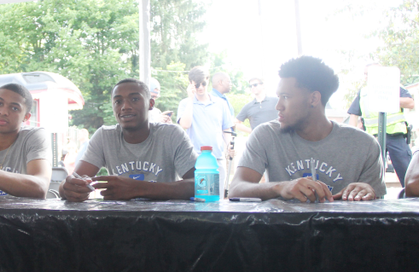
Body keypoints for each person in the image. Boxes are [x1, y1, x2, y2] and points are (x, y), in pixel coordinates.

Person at [229, 56, 386, 202]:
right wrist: (281, 187)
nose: (278, 106)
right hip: (281, 231)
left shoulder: (365, 145)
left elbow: (378, 211)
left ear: (313, 98)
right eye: (278, 97)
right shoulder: (266, 135)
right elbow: (236, 189)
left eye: (285, 97)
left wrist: (367, 192)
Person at [60, 78, 197, 202]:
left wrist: (139, 189)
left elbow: (201, 185)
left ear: (150, 104)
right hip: (119, 223)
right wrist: (69, 188)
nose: (125, 106)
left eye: (135, 99)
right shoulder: (104, 137)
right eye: (118, 101)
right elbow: (72, 182)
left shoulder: (172, 135)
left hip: (165, 223)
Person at [348, 63, 414, 187]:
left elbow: (410, 103)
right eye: (365, 74)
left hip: (395, 136)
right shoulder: (363, 92)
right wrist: (353, 138)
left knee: (407, 171)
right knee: (372, 174)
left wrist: (388, 97)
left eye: (369, 74)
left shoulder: (394, 86)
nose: (366, 77)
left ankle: (413, 197)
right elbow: (353, 115)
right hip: (373, 139)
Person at [177, 66, 233, 194]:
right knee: (196, 197)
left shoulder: (221, 103)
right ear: (191, 84)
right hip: (194, 158)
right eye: (197, 85)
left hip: (217, 157)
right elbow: (185, 124)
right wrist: (191, 99)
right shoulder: (185, 103)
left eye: (203, 83)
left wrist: (229, 145)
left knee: (216, 198)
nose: (201, 88)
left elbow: (226, 128)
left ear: (208, 80)